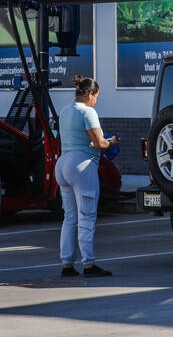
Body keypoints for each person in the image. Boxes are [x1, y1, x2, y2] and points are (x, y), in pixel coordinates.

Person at [56, 75, 118, 278]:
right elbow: (99, 143)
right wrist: (113, 142)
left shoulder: (65, 111)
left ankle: (67, 264)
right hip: (82, 165)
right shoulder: (88, 112)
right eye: (96, 96)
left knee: (69, 217)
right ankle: (89, 265)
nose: (96, 101)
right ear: (90, 94)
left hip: (63, 163)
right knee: (87, 216)